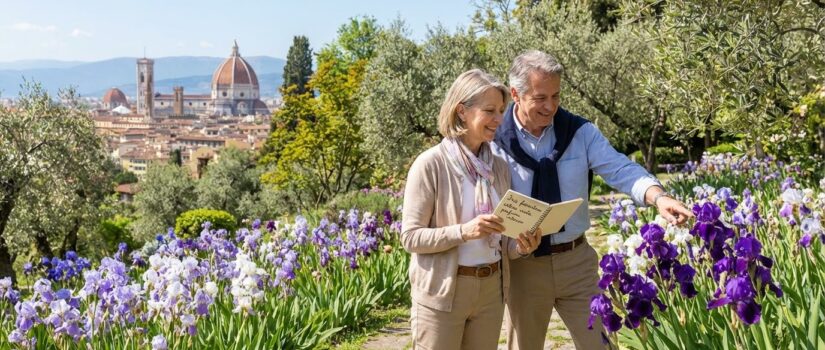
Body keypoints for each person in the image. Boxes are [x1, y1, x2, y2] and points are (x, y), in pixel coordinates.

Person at [491, 50, 694, 350]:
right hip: (524, 267)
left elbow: (620, 168)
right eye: (540, 98)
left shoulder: (579, 132)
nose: (551, 106)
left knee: (600, 344)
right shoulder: (494, 140)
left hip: (577, 263)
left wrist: (658, 197)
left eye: (556, 96)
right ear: (515, 94)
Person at [401, 68, 542, 350]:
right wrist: (464, 231)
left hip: (491, 291)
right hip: (443, 292)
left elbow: (503, 240)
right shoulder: (430, 165)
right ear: (462, 111)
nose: (498, 119)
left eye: (501, 111)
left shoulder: (498, 167)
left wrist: (522, 246)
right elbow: (410, 238)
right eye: (489, 110)